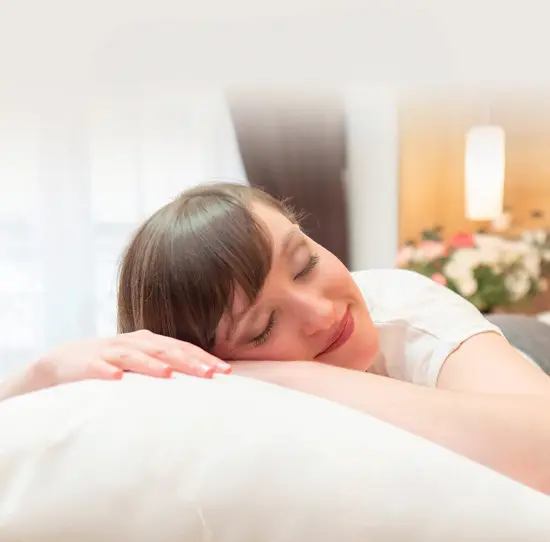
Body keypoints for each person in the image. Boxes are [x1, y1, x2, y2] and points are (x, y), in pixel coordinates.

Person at [1, 183, 550, 493]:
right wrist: (40, 373)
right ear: (207, 359)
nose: (321, 313)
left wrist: (288, 373)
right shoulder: (205, 396)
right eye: (261, 326)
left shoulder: (405, 313)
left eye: (306, 262)